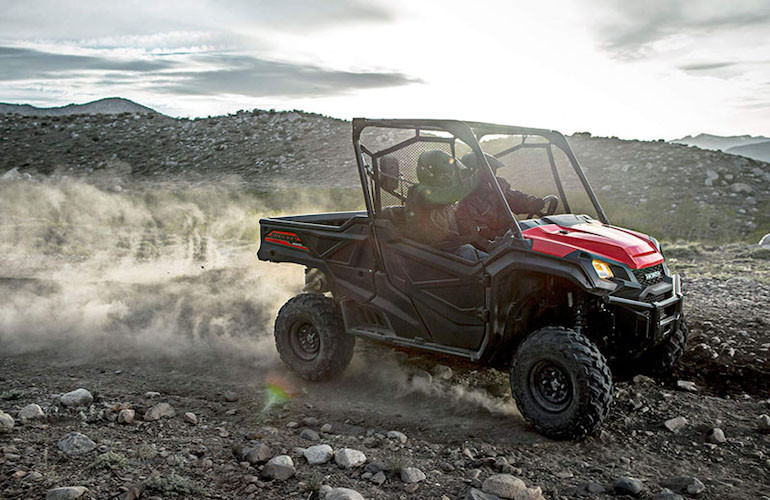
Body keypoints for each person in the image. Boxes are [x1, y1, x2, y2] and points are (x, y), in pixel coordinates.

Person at [454, 152, 547, 248]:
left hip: (511, 237)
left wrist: (531, 202)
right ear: (476, 173)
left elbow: (515, 199)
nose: (493, 173)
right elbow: (473, 237)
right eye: (489, 170)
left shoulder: (499, 185)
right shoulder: (465, 202)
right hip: (493, 250)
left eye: (493, 169)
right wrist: (494, 247)